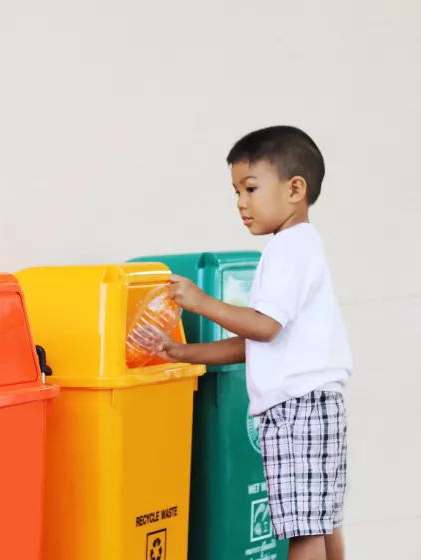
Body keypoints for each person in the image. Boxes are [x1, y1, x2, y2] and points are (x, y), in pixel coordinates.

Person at [154, 126, 352, 560]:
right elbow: (257, 343)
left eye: (251, 188)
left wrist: (201, 301)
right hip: (318, 402)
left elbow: (264, 328)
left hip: (296, 409)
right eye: (236, 192)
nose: (241, 203)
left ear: (295, 188)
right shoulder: (303, 247)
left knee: (303, 531)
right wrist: (186, 353)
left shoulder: (286, 250)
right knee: (322, 522)